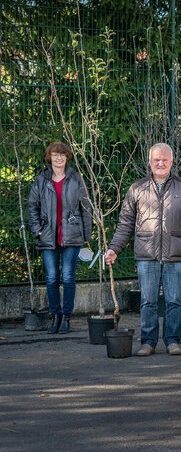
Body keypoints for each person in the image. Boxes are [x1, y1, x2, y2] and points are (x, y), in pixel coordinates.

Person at [105, 143, 181, 356]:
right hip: (146, 254)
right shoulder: (137, 188)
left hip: (175, 254)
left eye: (164, 160)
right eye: (156, 159)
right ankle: (148, 342)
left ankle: (172, 341)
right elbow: (125, 223)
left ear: (171, 162)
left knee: (174, 301)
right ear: (150, 162)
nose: (160, 163)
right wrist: (114, 249)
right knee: (148, 300)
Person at [28, 142, 93, 334]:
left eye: (62, 155)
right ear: (50, 157)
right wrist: (37, 230)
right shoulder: (41, 179)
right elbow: (32, 206)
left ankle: (66, 317)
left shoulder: (76, 179)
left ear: (67, 157)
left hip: (71, 235)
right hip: (47, 235)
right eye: (55, 155)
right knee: (51, 278)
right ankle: (54, 316)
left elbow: (86, 207)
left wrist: (86, 234)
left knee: (68, 277)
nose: (59, 158)